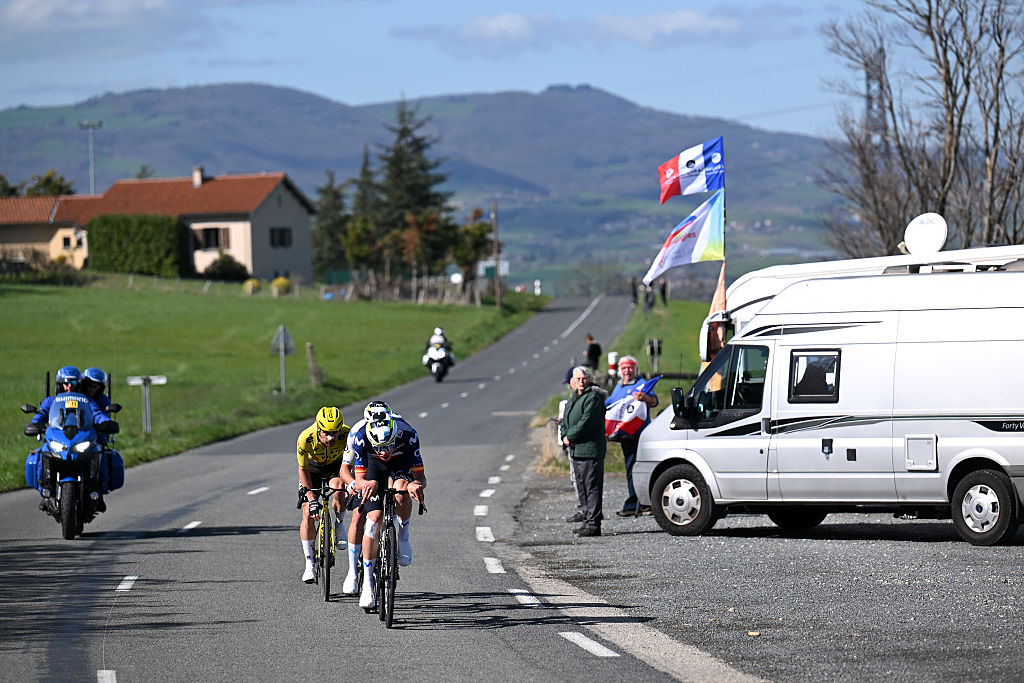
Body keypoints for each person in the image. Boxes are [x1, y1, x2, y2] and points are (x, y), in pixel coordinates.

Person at [348, 411, 426, 608]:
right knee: (373, 519)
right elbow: (358, 478)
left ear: (395, 435)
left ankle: (403, 534)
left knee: (401, 491)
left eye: (388, 445)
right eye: (380, 447)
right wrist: (365, 485)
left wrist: (415, 485)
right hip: (372, 467)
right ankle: (367, 583)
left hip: (400, 464)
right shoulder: (361, 437)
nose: (384, 452)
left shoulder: (408, 434)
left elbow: (420, 477)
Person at [339, 400, 397, 595]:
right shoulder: (358, 433)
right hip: (364, 470)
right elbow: (345, 469)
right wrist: (353, 485)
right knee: (358, 515)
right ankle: (353, 572)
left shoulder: (395, 428)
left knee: (395, 493)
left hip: (388, 465)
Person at [296, 406, 351, 584]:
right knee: (307, 513)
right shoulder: (306, 438)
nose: (331, 438)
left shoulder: (348, 435)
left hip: (335, 467)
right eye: (327, 433)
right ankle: (309, 564)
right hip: (311, 470)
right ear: (318, 428)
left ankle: (340, 523)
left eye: (335, 433)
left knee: (339, 489)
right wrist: (311, 499)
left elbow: (353, 462)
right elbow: (302, 469)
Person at [605, 356, 659, 516]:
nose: (627, 371)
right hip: (624, 435)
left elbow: (654, 401)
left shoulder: (641, 384)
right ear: (620, 370)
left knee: (638, 468)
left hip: (638, 433)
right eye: (624, 368)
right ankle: (637, 502)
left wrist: (644, 398)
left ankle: (638, 503)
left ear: (636, 369)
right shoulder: (619, 385)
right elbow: (610, 403)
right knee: (630, 468)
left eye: (630, 368)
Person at [560, 366, 607, 537]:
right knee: (582, 488)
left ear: (589, 379)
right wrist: (564, 434)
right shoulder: (574, 396)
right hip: (576, 450)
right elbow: (565, 419)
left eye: (584, 379)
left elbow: (587, 422)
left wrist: (570, 436)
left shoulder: (592, 397)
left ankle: (594, 524)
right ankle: (587, 521)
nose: (581, 382)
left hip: (590, 450)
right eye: (577, 379)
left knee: (592, 487)